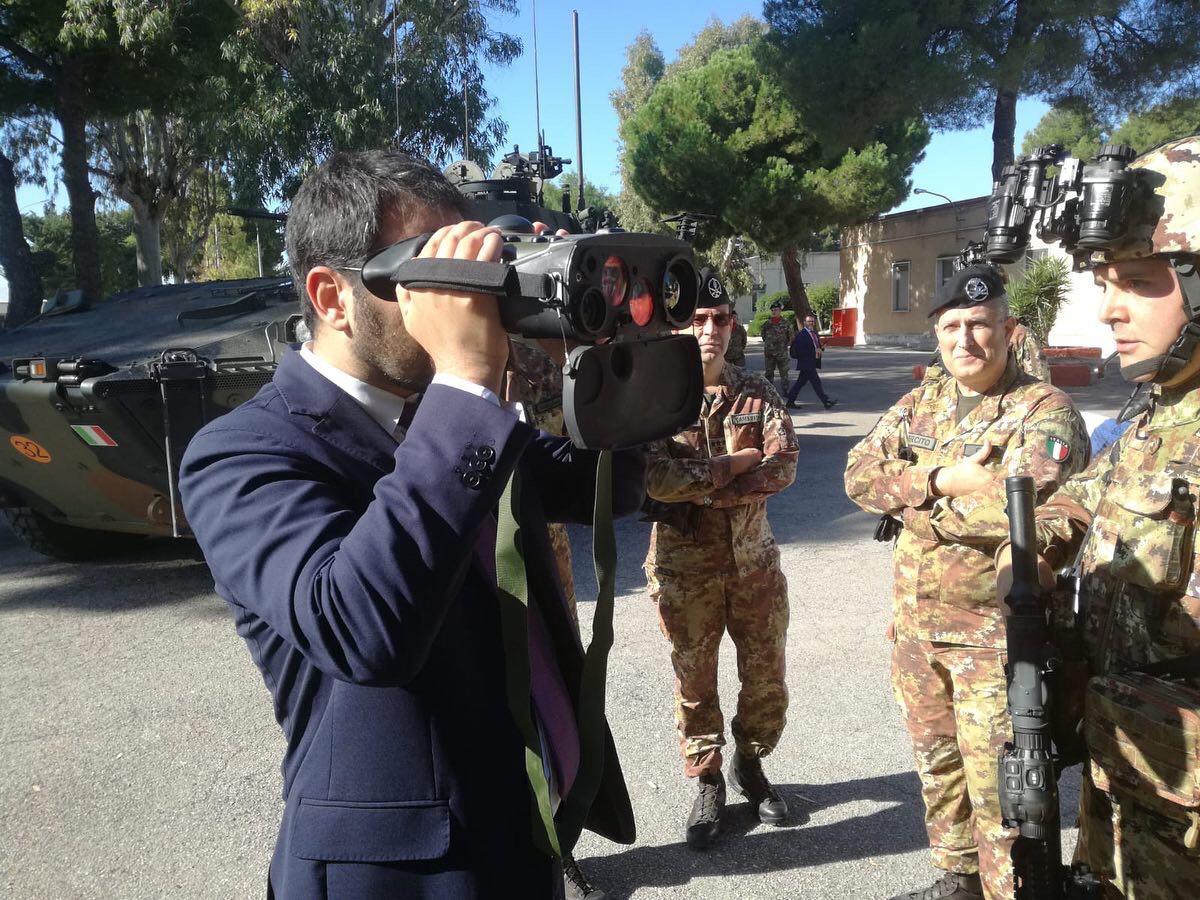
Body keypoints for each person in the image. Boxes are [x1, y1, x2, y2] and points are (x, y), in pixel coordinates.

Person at [178, 150, 644, 899]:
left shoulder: (450, 416)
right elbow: (361, 629)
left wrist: (596, 349)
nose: (465, 302)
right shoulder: (243, 451)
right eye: (433, 277)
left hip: (523, 822)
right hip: (405, 873)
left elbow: (612, 486)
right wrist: (466, 382)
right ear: (332, 297)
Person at [844, 262, 1089, 900]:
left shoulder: (1045, 410)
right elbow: (857, 475)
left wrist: (913, 506)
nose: (965, 340)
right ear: (937, 334)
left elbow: (1024, 511)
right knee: (939, 771)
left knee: (1003, 794)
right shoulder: (919, 403)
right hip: (917, 631)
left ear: (1008, 329)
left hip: (993, 644)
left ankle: (1009, 891)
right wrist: (939, 480)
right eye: (951, 327)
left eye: (979, 324)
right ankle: (957, 881)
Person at [996, 135, 1200, 898]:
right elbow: (1091, 490)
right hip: (1126, 810)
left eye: (1139, 282)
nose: (1110, 308)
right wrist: (1034, 548)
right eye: (1105, 282)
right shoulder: (1161, 408)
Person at [642, 270, 798, 849]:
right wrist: (732, 468)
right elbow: (653, 478)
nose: (710, 330)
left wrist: (700, 486)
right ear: (678, 327)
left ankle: (750, 765)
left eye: (721, 319)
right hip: (684, 571)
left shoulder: (757, 391)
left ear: (734, 325)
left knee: (766, 676)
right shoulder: (656, 398)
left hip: (755, 564)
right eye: (697, 319)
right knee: (694, 679)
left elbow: (783, 466)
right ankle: (707, 779)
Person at [786, 314, 837, 410]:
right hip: (806, 363)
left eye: (813, 321)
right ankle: (826, 401)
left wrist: (821, 348)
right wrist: (814, 351)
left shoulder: (814, 333)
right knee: (816, 382)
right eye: (809, 321)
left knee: (800, 383)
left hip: (812, 361)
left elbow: (815, 346)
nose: (811, 323)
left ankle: (790, 400)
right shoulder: (801, 335)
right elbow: (800, 350)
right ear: (804, 323)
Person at [760, 300, 794, 397]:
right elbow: (763, 335)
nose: (774, 312)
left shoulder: (786, 323)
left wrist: (784, 345)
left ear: (780, 311)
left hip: (782, 353)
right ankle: (768, 392)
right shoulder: (767, 324)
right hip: (769, 353)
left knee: (784, 373)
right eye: (773, 310)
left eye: (776, 310)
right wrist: (770, 344)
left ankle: (785, 391)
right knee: (769, 373)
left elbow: (791, 336)